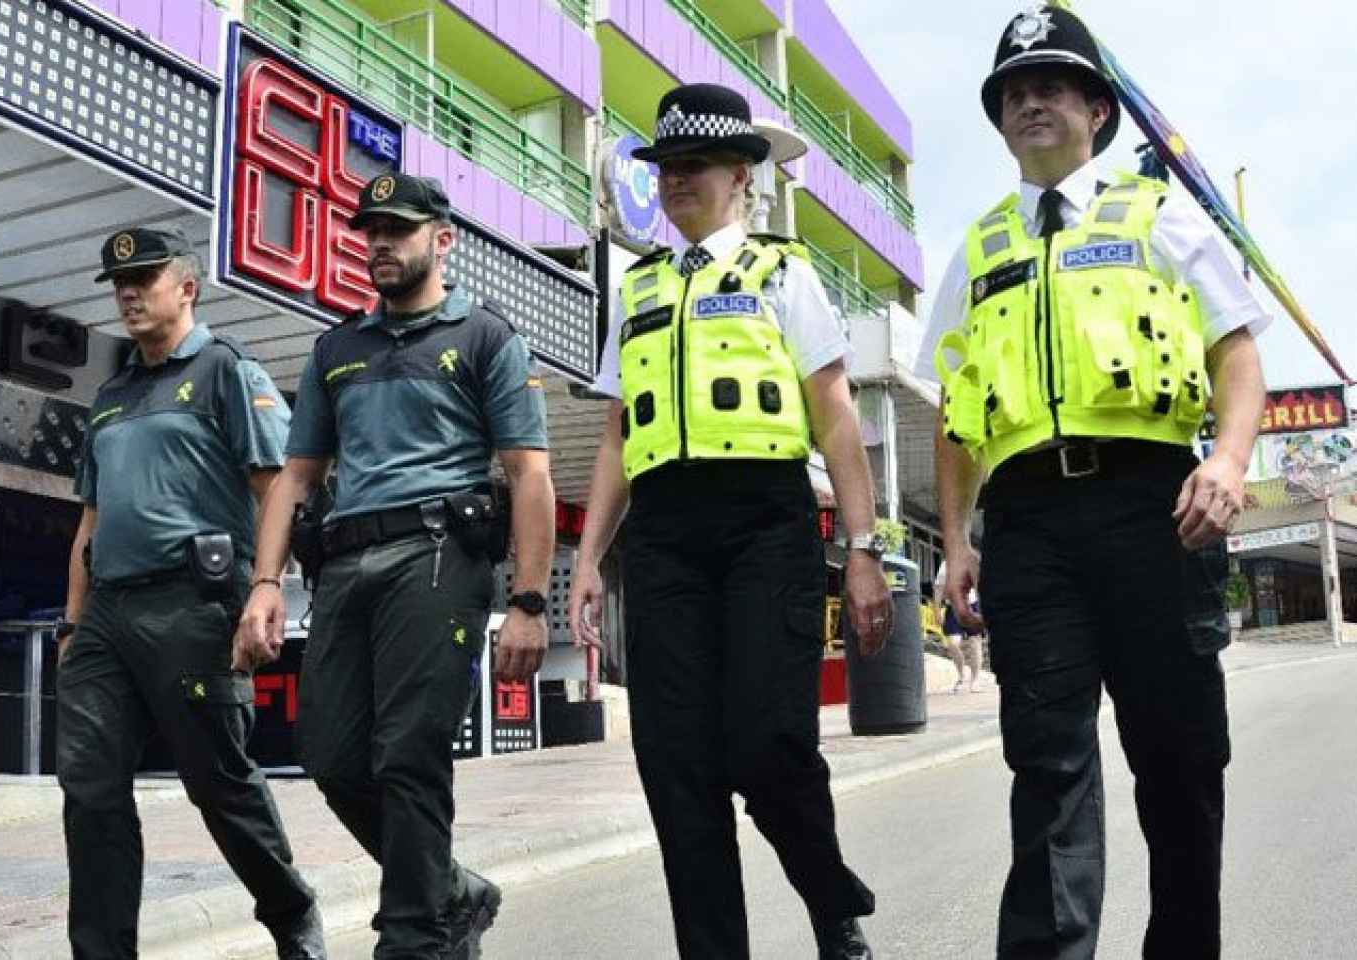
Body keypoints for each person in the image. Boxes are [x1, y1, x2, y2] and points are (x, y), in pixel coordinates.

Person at [917, 7, 1268, 958]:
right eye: (1013, 94)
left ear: (1098, 112)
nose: (1030, 103)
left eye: (1051, 87)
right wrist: (954, 542)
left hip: (1156, 512)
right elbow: (956, 413)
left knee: (1181, 762)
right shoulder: (978, 249)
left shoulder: (1163, 218)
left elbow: (1238, 360)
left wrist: (1227, 461)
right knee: (1046, 767)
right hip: (1027, 525)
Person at [567, 83, 889, 960]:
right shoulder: (637, 287)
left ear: (743, 176)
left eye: (695, 166)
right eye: (665, 167)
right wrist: (587, 559)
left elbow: (835, 417)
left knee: (767, 743)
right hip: (664, 534)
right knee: (676, 768)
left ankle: (831, 900)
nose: (676, 182)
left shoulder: (785, 272)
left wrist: (863, 552)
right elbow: (616, 431)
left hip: (765, 522)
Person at [238, 172, 555, 960]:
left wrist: (528, 600)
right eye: (371, 229)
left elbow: (530, 474)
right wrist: (266, 585)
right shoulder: (335, 348)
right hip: (345, 566)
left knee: (409, 753)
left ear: (441, 240)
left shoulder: (484, 337)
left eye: (399, 229)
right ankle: (450, 891)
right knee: (331, 756)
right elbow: (296, 478)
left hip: (438, 555)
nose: (380, 242)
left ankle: (412, 938)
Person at [56, 227, 324, 960]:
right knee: (89, 789)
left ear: (187, 287)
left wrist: (266, 588)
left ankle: (291, 908)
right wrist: (74, 625)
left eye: (145, 277)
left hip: (195, 603)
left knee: (218, 783)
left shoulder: (223, 371)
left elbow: (278, 491)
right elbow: (92, 518)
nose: (130, 293)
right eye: (119, 283)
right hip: (107, 615)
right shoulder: (111, 398)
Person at [933, 559, 985, 693]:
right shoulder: (945, 566)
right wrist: (937, 610)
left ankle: (975, 680)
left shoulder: (971, 562)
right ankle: (962, 676)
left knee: (974, 643)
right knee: (952, 643)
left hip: (971, 605)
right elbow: (938, 589)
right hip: (953, 607)